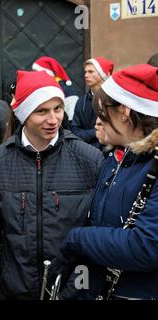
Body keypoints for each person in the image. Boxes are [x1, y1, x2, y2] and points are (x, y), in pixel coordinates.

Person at [0, 70, 104, 300]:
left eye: (58, 109)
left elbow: (96, 231)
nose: (53, 119)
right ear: (24, 114)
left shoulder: (89, 160)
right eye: (41, 111)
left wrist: (77, 289)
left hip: (74, 292)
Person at [61, 64, 158, 300]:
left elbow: (145, 247)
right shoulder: (115, 160)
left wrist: (78, 238)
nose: (97, 120)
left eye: (102, 112)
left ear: (124, 111)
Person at [72, 57, 114, 149]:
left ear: (103, 74)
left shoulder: (114, 99)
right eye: (85, 72)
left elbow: (115, 129)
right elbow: (75, 132)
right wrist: (97, 131)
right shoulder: (81, 102)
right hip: (86, 151)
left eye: (91, 72)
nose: (86, 75)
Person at [32, 56, 78, 124]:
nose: (35, 75)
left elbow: (72, 115)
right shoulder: (39, 89)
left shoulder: (66, 89)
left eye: (37, 72)